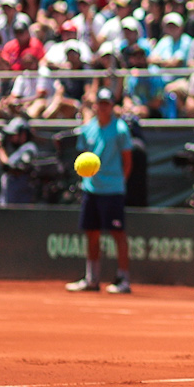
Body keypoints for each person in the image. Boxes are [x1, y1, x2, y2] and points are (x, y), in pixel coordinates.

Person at [67, 87, 133, 294]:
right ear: (96, 106)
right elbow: (84, 156)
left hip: (113, 190)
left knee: (118, 234)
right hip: (91, 189)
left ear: (112, 106)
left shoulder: (121, 129)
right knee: (92, 234)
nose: (103, 107)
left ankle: (123, 279)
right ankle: (92, 279)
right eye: (100, 103)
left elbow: (127, 162)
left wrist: (118, 183)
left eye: (107, 103)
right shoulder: (88, 129)